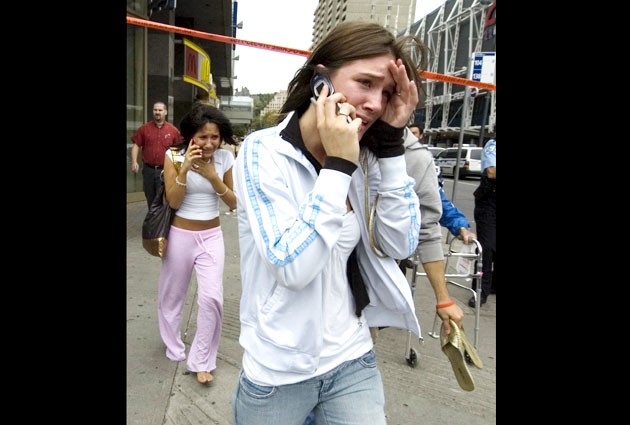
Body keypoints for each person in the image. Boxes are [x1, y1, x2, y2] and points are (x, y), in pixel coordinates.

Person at [231, 21, 463, 425]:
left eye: (386, 93)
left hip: (352, 357)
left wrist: (391, 148)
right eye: (365, 83)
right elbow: (291, 268)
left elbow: (399, 245)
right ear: (322, 80)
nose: (374, 103)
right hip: (278, 371)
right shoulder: (263, 152)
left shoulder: (369, 155)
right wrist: (338, 167)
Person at [158, 103, 237, 385]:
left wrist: (213, 177)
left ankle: (202, 360)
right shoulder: (174, 156)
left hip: (211, 237)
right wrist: (185, 170)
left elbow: (234, 202)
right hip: (180, 235)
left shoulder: (225, 158)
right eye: (203, 136)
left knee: (212, 297)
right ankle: (173, 345)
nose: (209, 143)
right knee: (172, 296)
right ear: (191, 135)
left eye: (215, 137)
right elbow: (173, 201)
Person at [131, 101, 183, 208]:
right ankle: (153, 217)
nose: (157, 112)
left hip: (165, 170)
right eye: (155, 110)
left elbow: (178, 150)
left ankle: (162, 217)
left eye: (160, 110)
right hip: (148, 170)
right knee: (150, 197)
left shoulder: (173, 131)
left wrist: (179, 170)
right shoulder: (144, 129)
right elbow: (136, 145)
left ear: (165, 112)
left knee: (164, 197)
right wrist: (134, 161)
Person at [468, 130, 496, 307]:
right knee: (486, 248)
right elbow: (492, 172)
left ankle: (492, 285)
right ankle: (479, 291)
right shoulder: (492, 146)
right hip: (489, 203)